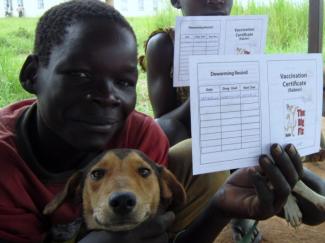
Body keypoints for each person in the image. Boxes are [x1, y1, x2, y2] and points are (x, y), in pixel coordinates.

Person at [0, 1, 324, 243]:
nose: (105, 96)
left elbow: (151, 234)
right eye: (80, 75)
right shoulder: (7, 169)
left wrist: (219, 209)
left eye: (124, 82)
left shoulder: (139, 139)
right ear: (32, 75)